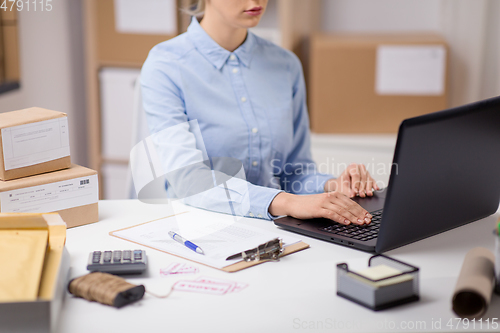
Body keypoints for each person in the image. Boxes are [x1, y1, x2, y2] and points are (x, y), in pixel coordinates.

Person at [141, 0, 379, 226]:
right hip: (199, 229)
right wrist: (285, 202)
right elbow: (188, 180)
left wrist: (332, 186)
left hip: (273, 231)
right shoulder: (165, 65)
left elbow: (294, 173)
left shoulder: (285, 65)